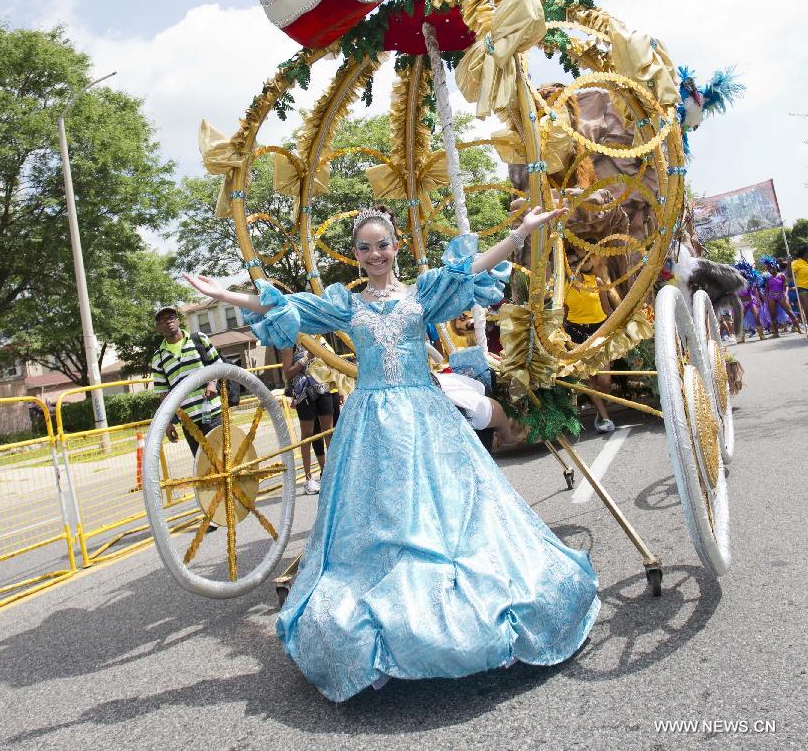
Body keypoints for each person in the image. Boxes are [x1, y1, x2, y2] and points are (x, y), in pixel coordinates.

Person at [183, 203, 601, 704]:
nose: (375, 254)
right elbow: (282, 306)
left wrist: (520, 233)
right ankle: (387, 634)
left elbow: (472, 268)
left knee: (455, 514)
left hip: (427, 415)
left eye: (382, 244)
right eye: (365, 248)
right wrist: (224, 294)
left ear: (396, 246)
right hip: (370, 426)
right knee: (379, 524)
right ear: (355, 255)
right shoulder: (345, 305)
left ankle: (469, 618)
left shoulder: (424, 292)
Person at [151, 305, 221, 456]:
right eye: (163, 320)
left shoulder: (199, 339)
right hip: (188, 421)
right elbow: (163, 394)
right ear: (158, 327)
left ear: (177, 321)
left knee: (223, 456)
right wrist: (168, 423)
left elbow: (218, 365)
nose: (168, 322)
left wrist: (212, 383)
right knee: (203, 465)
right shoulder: (159, 358)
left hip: (212, 412)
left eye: (171, 317)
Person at [563, 258, 617, 434]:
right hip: (575, 334)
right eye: (569, 264)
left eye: (575, 263)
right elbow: (563, 315)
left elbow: (608, 310)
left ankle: (602, 405)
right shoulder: (561, 288)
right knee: (588, 380)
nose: (573, 266)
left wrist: (619, 326)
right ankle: (605, 416)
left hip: (598, 332)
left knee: (604, 380)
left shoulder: (596, 281)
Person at [281, 343, 332, 495]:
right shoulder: (288, 344)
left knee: (328, 432)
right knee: (307, 435)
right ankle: (308, 479)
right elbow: (288, 373)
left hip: (323, 388)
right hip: (303, 394)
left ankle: (330, 472)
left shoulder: (314, 337)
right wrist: (305, 359)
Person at [760, 256, 802, 337]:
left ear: (775, 267)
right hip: (771, 297)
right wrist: (764, 294)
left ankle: (799, 328)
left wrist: (785, 293)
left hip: (781, 295)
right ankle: (776, 333)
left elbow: (786, 285)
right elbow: (767, 288)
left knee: (789, 312)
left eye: (770, 268)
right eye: (768, 269)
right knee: (773, 314)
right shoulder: (768, 278)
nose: (769, 270)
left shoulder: (781, 275)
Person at [791, 247, 808, 322]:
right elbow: (789, 274)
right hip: (803, 288)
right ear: (804, 253)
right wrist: (789, 263)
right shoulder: (796, 263)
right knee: (807, 307)